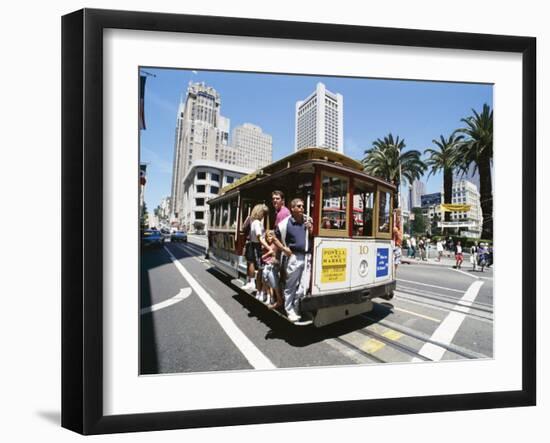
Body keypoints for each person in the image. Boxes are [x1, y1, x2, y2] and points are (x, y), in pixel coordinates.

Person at [275, 198, 313, 322]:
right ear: (292, 208)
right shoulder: (284, 224)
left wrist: (311, 229)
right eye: (299, 206)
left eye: (302, 206)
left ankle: (296, 307)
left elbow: (313, 236)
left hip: (307, 256)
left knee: (304, 285)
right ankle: (289, 309)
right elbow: (273, 237)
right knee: (290, 286)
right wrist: (283, 249)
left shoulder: (307, 220)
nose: (302, 208)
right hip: (294, 257)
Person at [242, 203, 269, 292]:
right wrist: (268, 247)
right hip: (257, 245)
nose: (263, 216)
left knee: (251, 263)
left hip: (252, 244)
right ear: (259, 213)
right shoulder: (257, 223)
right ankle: (256, 285)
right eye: (263, 213)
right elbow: (259, 237)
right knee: (259, 266)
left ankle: (251, 282)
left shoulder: (253, 222)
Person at [261, 230, 284, 309]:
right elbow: (263, 257)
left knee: (274, 283)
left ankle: (276, 298)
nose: (268, 238)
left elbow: (278, 255)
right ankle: (269, 297)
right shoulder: (266, 245)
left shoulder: (276, 245)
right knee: (266, 281)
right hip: (267, 265)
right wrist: (269, 253)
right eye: (267, 236)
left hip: (274, 266)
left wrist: (276, 261)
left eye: (270, 236)